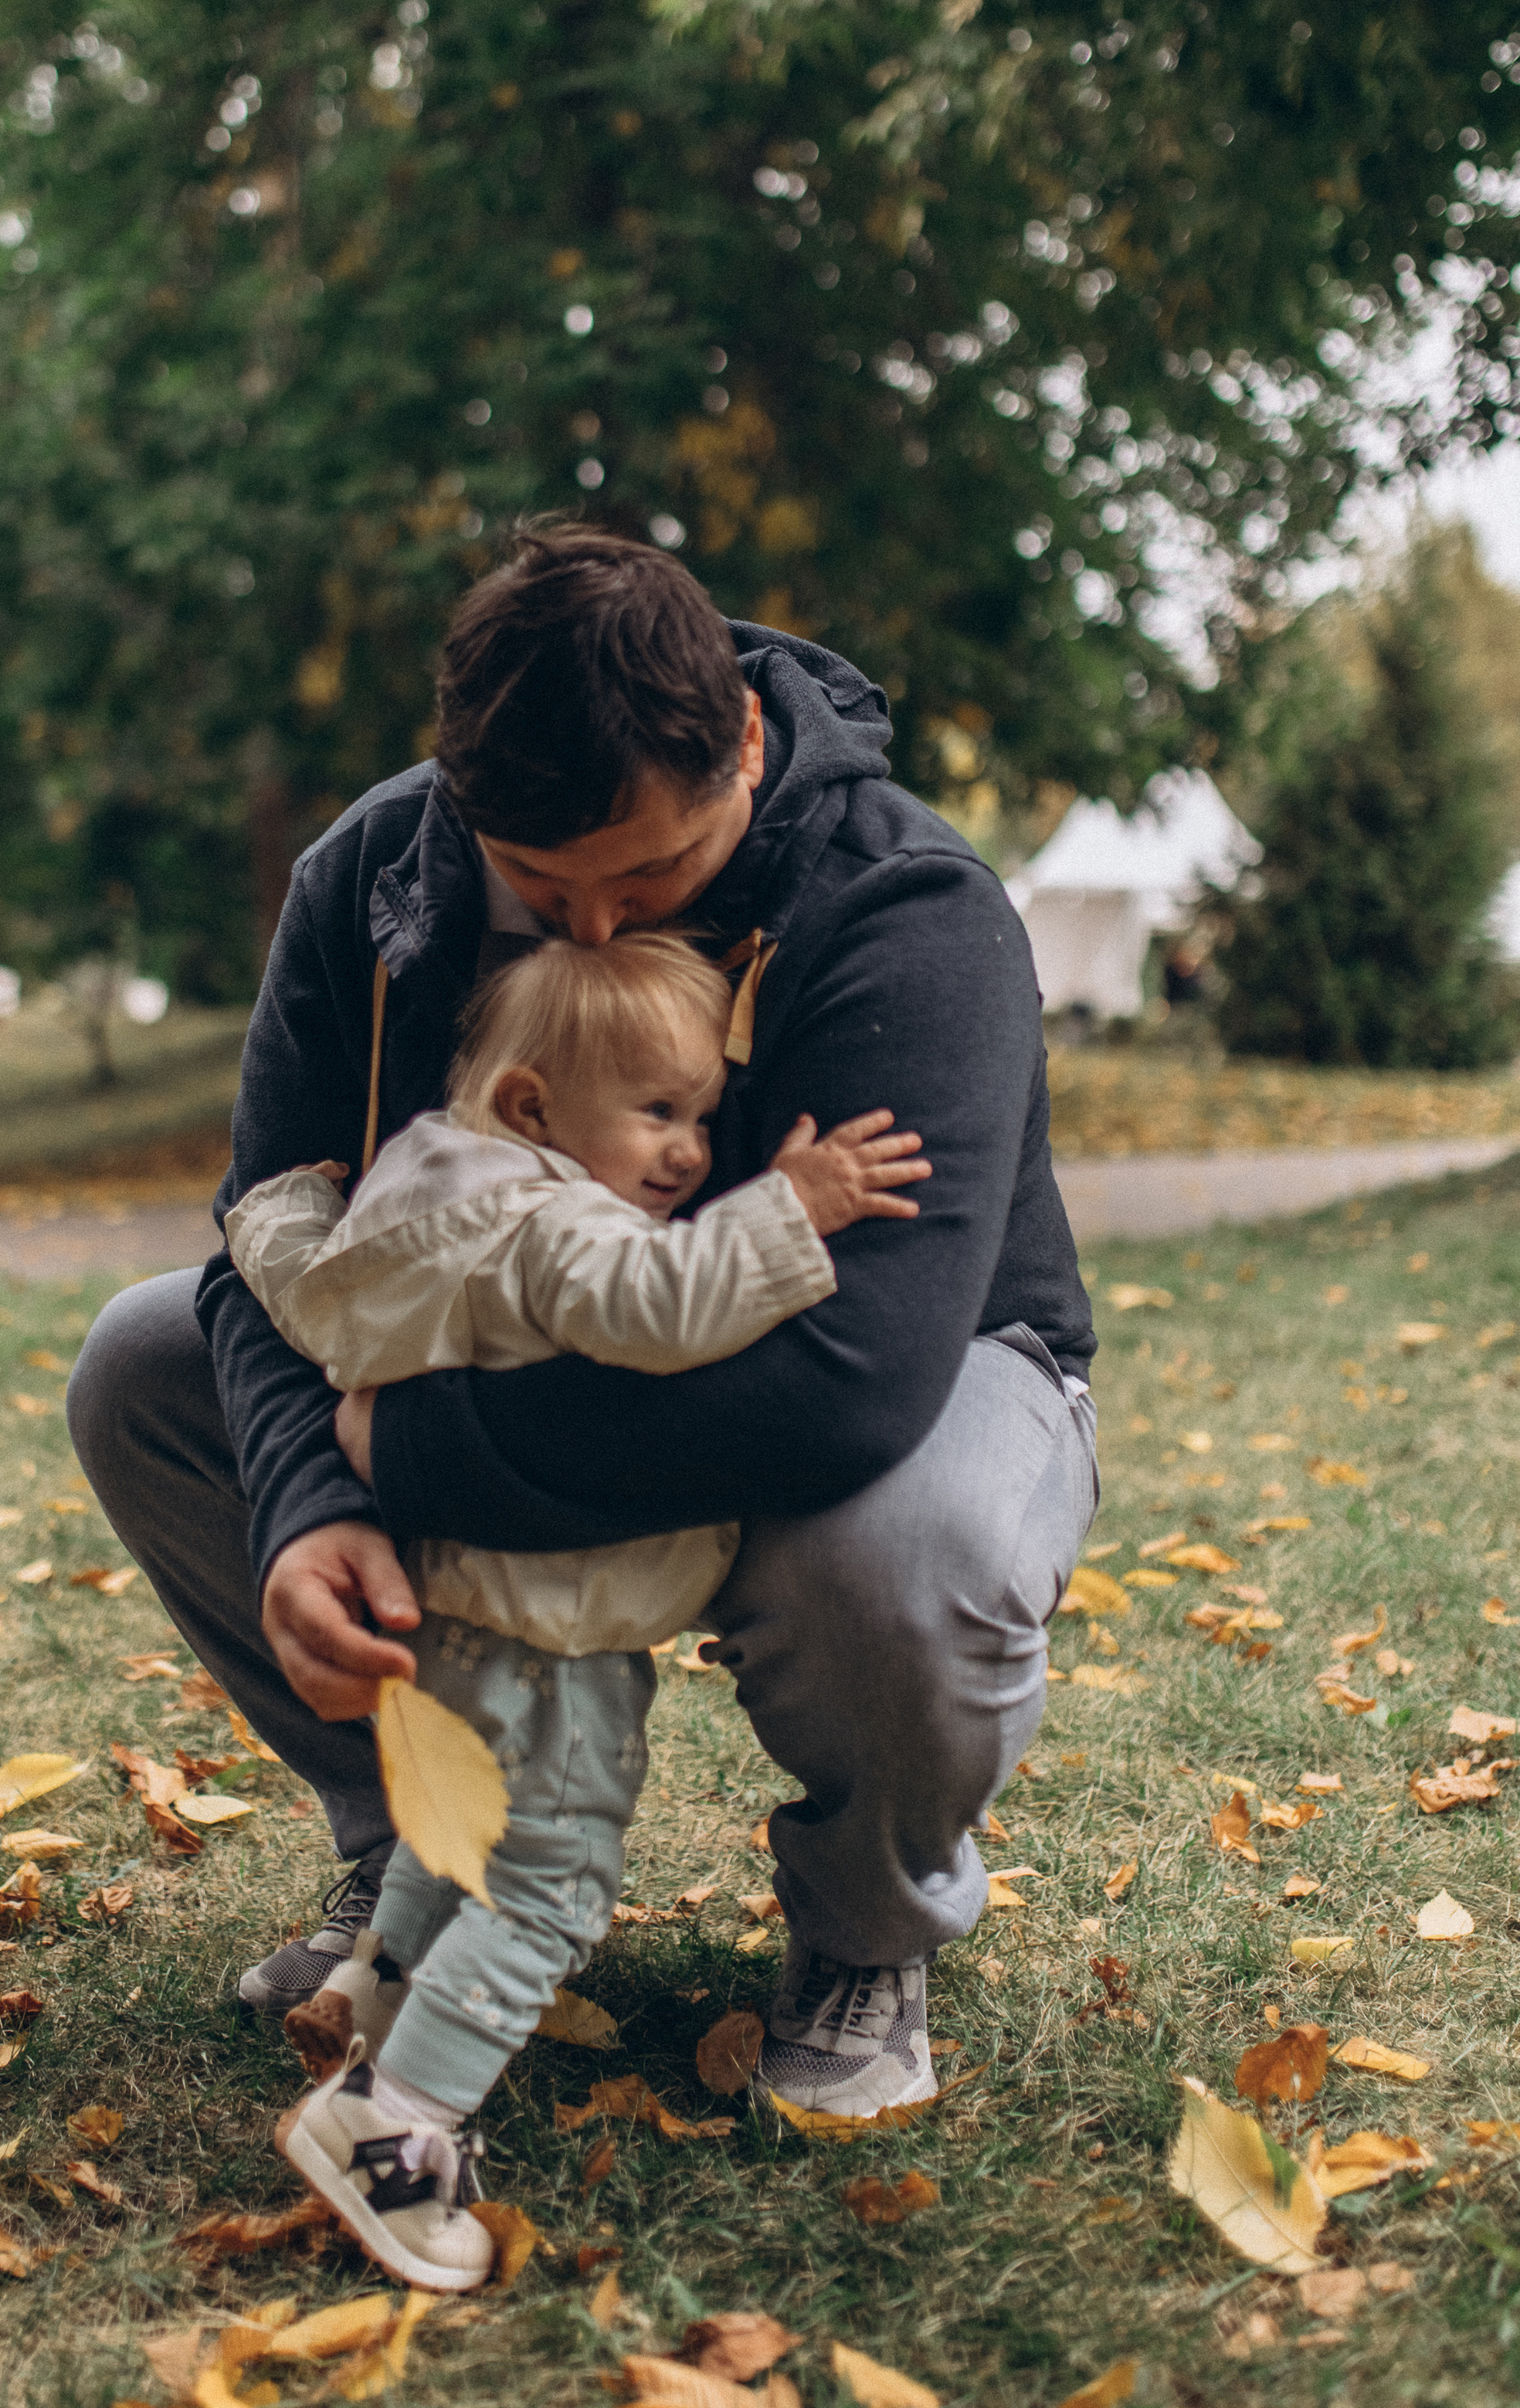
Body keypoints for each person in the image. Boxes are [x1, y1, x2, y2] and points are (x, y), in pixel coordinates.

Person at [68, 524, 1098, 2141]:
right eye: (540, 889)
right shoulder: (371, 876)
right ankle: (418, 1840)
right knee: (143, 1367)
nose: (596, 932)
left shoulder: (904, 908)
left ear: (743, 747)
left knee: (912, 1543)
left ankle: (859, 1938)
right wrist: (313, 1507)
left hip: (897, 1377)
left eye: (651, 878)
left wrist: (407, 1457)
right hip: (501, 1339)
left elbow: (849, 1390)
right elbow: (273, 1224)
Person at [220, 932, 928, 2288]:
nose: (685, 1154)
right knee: (548, 1887)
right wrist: (790, 1205)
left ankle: (374, 1988)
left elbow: (307, 1293)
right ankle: (396, 2124)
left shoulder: (423, 1188)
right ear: (536, 1107)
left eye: (702, 1122)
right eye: (657, 1114)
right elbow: (660, 1306)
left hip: (458, 1617)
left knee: (464, 1830)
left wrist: (276, 1213)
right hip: (553, 1634)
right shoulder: (555, 1222)